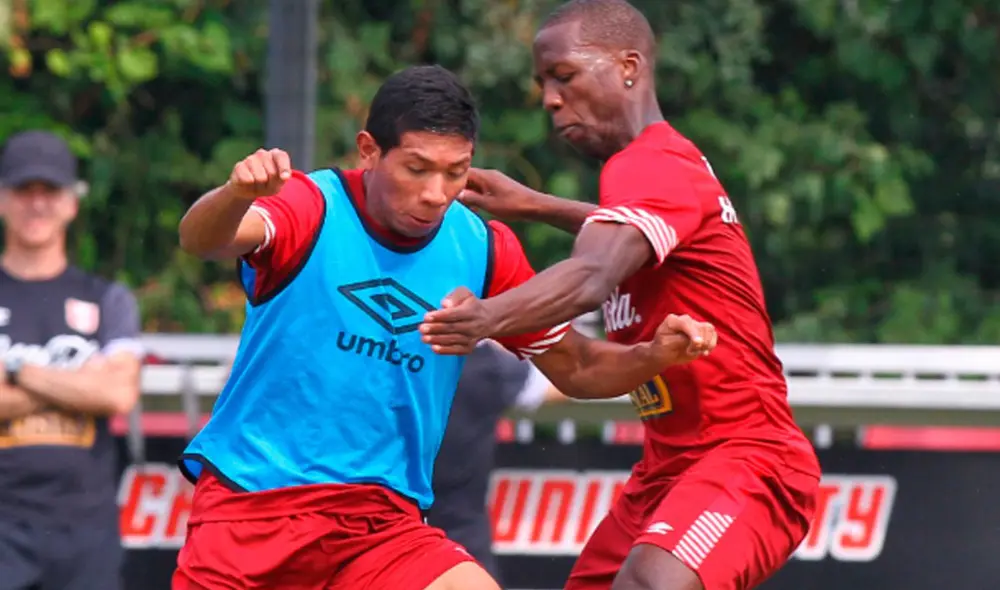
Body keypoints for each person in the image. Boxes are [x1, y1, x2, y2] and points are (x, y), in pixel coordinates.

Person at [173, 64, 718, 590]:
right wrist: (235, 194)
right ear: (370, 151)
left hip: (379, 525)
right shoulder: (311, 205)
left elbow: (575, 367)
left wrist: (654, 355)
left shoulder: (481, 247)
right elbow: (204, 240)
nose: (437, 192)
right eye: (417, 168)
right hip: (251, 510)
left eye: (456, 171)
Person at [419, 2, 822, 590]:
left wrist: (486, 318)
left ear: (628, 66)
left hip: (749, 461)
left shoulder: (650, 163)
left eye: (564, 76)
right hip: (667, 471)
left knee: (652, 583)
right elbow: (623, 236)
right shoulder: (652, 180)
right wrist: (534, 203)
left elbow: (591, 276)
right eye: (542, 84)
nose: (550, 100)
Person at [0, 130, 144, 590]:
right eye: (24, 190)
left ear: (71, 203)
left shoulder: (108, 300)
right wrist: (77, 385)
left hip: (85, 533)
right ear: (3, 199)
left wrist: (17, 371)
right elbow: (97, 390)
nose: (37, 204)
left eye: (50, 191)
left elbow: (118, 393)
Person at [428, 339, 564, 584]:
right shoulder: (489, 363)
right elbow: (568, 382)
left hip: (391, 527)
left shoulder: (386, 355)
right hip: (461, 534)